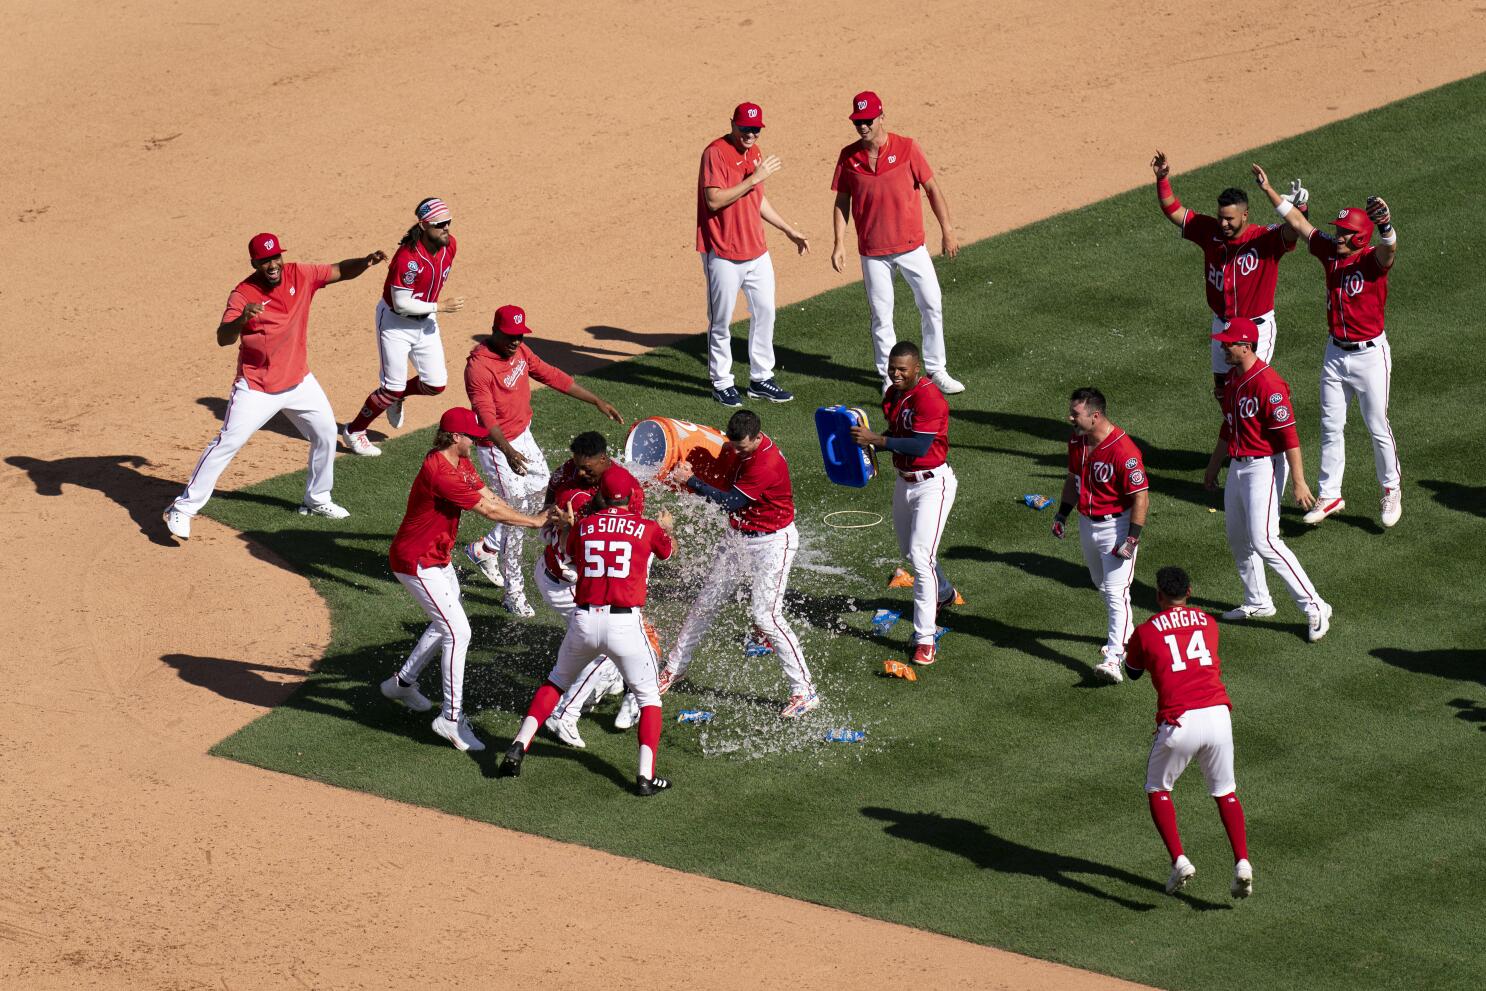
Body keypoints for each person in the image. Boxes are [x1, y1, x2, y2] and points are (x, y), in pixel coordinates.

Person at [163, 233, 387, 540]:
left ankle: (317, 499)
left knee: (324, 434)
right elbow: (223, 338)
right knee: (227, 443)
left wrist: (364, 262)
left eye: (275, 257)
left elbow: (338, 270)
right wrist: (242, 318)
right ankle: (183, 508)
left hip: (299, 381)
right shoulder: (243, 294)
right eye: (265, 260)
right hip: (257, 387)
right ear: (255, 263)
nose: (272, 264)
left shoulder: (299, 274)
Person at [378, 408, 549, 752]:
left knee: (446, 623)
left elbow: (489, 496)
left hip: (436, 558)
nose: (477, 441)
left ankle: (402, 683)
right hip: (416, 562)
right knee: (458, 631)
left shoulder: (460, 461)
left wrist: (532, 514)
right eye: (472, 436)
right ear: (455, 437)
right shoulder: (440, 471)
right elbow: (488, 512)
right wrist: (533, 523)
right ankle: (451, 718)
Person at [498, 471, 676, 796]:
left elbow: (571, 553)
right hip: (624, 624)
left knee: (554, 682)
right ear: (631, 498)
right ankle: (645, 778)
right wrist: (667, 529)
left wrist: (568, 525)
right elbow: (667, 551)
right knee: (649, 699)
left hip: (584, 619)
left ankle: (517, 746)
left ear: (602, 496)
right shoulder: (646, 528)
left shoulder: (585, 525)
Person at [1252, 165, 1402, 527]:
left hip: (1370, 355)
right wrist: (1269, 191)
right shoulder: (1330, 253)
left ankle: (1391, 488)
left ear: (1361, 238)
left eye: (1347, 233)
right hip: (1335, 353)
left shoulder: (1371, 261)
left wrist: (1385, 225)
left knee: (1376, 423)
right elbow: (1301, 226)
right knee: (1331, 425)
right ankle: (1330, 493)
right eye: (1338, 231)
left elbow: (1389, 250)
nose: (1339, 237)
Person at [462, 304, 624, 617]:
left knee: (546, 494)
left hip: (523, 435)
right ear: (494, 331)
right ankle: (514, 593)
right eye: (509, 335)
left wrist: (596, 401)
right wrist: (507, 451)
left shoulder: (520, 351)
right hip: (497, 447)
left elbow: (552, 376)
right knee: (517, 521)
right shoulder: (479, 367)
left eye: (519, 335)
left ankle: (485, 548)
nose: (515, 341)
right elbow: (485, 414)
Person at [662, 410, 817, 717]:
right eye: (733, 446)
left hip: (772, 543)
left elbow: (731, 502)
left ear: (758, 437)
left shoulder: (765, 462)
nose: (736, 451)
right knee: (704, 604)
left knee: (766, 616)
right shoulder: (740, 447)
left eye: (742, 447)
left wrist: (691, 480)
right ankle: (673, 669)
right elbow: (723, 474)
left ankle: (804, 691)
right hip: (738, 537)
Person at [1123, 565, 1253, 900]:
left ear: (1158, 596)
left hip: (1180, 722)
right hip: (1218, 717)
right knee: (1225, 791)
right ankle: (1242, 862)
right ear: (1190, 592)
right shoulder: (1208, 623)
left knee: (1157, 788)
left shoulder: (1147, 630)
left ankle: (1179, 860)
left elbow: (1134, 672)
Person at [1204, 318, 1332, 641]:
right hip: (1238, 465)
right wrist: (1213, 465)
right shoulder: (1234, 381)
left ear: (1245, 346)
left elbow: (1289, 436)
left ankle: (1315, 607)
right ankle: (1258, 600)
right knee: (1237, 536)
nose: (1223, 346)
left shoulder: (1268, 383)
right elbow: (1228, 427)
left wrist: (1300, 482)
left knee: (1265, 540)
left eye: (1228, 343)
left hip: (1265, 465)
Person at [831, 91, 965, 395]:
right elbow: (842, 202)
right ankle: (890, 378)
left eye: (867, 121)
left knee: (931, 304)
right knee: (881, 316)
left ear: (881, 117)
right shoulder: (848, 156)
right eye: (857, 122)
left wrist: (948, 230)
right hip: (873, 253)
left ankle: (937, 369)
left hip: (911, 247)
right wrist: (839, 242)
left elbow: (932, 188)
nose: (862, 126)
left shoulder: (907, 148)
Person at [1150, 151, 1306, 399]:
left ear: (1245, 215)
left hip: (1256, 329)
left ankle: (1257, 437)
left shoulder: (1264, 239)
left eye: (1230, 219)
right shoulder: (1209, 231)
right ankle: (1235, 436)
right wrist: (1162, 179)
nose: (1224, 224)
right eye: (1221, 218)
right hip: (1222, 323)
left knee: (1250, 393)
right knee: (1223, 392)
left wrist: (1296, 207)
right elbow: (1174, 211)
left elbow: (1296, 229)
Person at [849, 341, 959, 666]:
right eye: (892, 368)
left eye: (902, 369)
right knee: (911, 552)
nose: (896, 374)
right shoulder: (893, 395)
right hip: (904, 481)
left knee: (921, 559)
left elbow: (921, 445)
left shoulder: (930, 398)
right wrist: (869, 448)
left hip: (932, 485)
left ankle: (925, 639)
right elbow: (897, 435)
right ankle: (945, 593)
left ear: (917, 369)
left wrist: (878, 441)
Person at [697, 102, 810, 408]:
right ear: (732, 124)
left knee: (766, 313)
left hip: (757, 252)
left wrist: (787, 229)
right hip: (722, 252)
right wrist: (754, 178)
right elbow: (714, 200)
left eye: (756, 129)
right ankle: (721, 382)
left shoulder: (755, 154)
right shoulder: (715, 153)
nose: (751, 134)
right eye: (745, 128)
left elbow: (756, 200)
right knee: (720, 321)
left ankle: (761, 379)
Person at [534, 459, 655, 748]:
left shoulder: (585, 505)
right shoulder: (574, 500)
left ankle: (603, 684)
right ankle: (565, 713)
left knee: (609, 644)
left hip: (564, 577)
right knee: (603, 649)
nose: (581, 473)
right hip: (564, 584)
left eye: (588, 470)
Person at [342, 197, 465, 456]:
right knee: (391, 387)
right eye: (439, 224)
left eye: (448, 222)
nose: (446, 228)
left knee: (436, 384)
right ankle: (354, 431)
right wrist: (439, 307)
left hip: (426, 322)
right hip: (396, 324)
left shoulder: (449, 246)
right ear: (423, 226)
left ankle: (397, 397)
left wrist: (433, 310)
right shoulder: (407, 259)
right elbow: (400, 304)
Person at [1050, 387, 1149, 683]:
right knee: (1103, 586)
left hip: (1117, 528)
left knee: (1116, 594)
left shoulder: (1124, 450)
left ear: (1095, 416)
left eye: (1075, 414)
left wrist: (1131, 539)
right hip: (1086, 523)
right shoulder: (1076, 440)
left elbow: (1141, 498)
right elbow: (1073, 479)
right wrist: (1062, 514)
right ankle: (1129, 635)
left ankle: (1113, 659)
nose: (1070, 417)